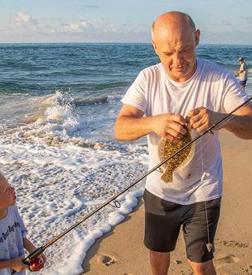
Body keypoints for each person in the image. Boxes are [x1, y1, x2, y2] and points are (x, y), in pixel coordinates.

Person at [114, 11, 252, 275]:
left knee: (200, 263)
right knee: (158, 255)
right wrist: (153, 123)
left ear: (197, 38)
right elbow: (121, 127)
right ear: (155, 48)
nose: (177, 61)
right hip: (160, 189)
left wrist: (221, 119)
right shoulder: (148, 79)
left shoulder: (220, 79)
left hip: (204, 190)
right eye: (167, 53)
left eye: (185, 50)